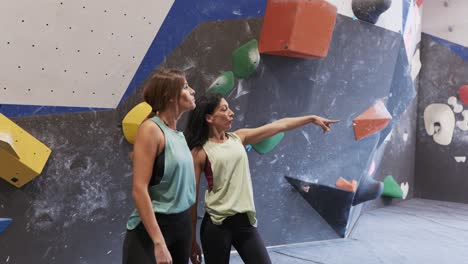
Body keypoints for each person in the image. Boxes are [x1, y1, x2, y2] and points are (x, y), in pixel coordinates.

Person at [185, 93, 338, 264]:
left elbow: (281, 125)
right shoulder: (199, 152)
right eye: (224, 109)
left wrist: (311, 118)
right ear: (209, 117)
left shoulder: (239, 137)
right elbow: (192, 200)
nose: (231, 113)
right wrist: (191, 241)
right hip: (216, 227)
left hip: (245, 224)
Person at [122, 68, 197, 264]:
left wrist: (190, 239)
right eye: (186, 87)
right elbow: (139, 190)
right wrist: (159, 242)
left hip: (181, 226)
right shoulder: (151, 129)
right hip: (152, 230)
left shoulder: (178, 135)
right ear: (170, 95)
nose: (193, 91)